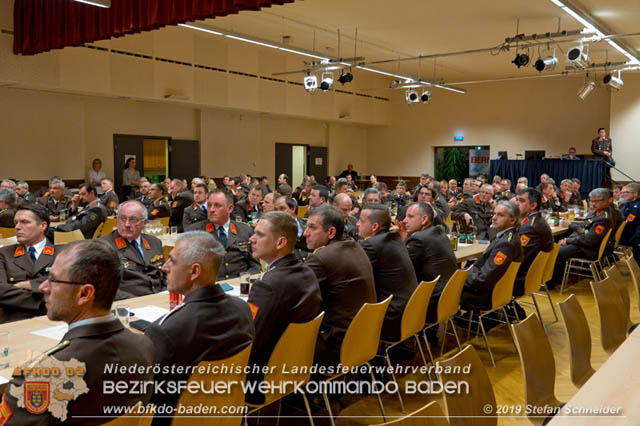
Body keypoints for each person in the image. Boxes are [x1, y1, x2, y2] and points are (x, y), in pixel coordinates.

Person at [1, 240, 155, 425]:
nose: (42, 288)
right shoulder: (144, 346)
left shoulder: (39, 377)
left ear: (84, 294)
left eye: (53, 280)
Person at [144, 231, 254, 424]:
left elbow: (148, 396)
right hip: (227, 415)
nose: (164, 267)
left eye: (172, 261)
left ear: (194, 272)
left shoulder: (167, 330)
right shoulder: (243, 309)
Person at [246, 212, 322, 401]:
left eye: (260, 235)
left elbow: (248, 341)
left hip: (261, 378)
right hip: (296, 367)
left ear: (280, 243)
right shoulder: (306, 272)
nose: (251, 239)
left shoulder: (267, 286)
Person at [304, 205, 376, 366]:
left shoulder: (322, 257)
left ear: (331, 232)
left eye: (312, 228)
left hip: (338, 344)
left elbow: (292, 291)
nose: (305, 233)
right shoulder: (355, 246)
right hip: (364, 337)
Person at [358, 204, 418, 341]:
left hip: (393, 316)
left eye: (361, 220)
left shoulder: (371, 245)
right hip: (410, 311)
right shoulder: (394, 237)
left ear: (375, 227)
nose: (357, 223)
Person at [397, 202, 457, 323]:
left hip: (431, 301)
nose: (404, 220)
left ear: (424, 219)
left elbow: (400, 267)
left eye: (410, 216)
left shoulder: (419, 239)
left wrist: (400, 241)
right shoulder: (438, 230)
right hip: (448, 297)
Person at [461, 201, 523, 311]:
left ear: (512, 220)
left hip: (484, 295)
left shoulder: (506, 244)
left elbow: (483, 278)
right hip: (494, 290)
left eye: (500, 215)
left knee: (441, 288)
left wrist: (461, 277)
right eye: (494, 214)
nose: (494, 218)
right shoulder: (506, 236)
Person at [185, 189, 260, 279]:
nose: (212, 210)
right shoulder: (194, 232)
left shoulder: (245, 231)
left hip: (239, 285)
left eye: (217, 206)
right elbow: (187, 269)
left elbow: (255, 266)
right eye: (209, 205)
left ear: (230, 208)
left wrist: (244, 280)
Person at [549, 188, 615, 288]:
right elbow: (585, 228)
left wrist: (568, 241)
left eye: (596, 201)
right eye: (591, 201)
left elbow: (589, 240)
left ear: (606, 201)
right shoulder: (598, 212)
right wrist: (571, 230)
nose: (592, 204)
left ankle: (552, 282)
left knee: (557, 253)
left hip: (589, 249)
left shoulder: (604, 218)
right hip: (585, 243)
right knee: (559, 244)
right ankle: (559, 278)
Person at [0, 204, 54, 323]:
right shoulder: (4, 253)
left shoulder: (61, 252)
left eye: (24, 222)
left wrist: (27, 284)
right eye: (16, 223)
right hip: (14, 319)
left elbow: (68, 285)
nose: (17, 227)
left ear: (42, 226)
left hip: (53, 319)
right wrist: (43, 299)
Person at [101, 200, 165, 299]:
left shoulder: (154, 242)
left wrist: (166, 294)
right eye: (122, 218)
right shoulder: (105, 246)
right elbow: (105, 287)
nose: (126, 224)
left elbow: (165, 275)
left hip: (159, 300)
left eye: (133, 219)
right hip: (130, 303)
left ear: (144, 223)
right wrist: (138, 302)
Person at [512, 188, 553, 315]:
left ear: (533, 205)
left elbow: (517, 256)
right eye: (517, 200)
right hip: (532, 274)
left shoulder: (530, 227)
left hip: (521, 277)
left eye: (522, 201)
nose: (517, 204)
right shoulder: (533, 222)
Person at [620, 183, 640, 265]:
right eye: (623, 192)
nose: (623, 194)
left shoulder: (636, 206)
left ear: (635, 194)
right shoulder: (628, 204)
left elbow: (628, 224)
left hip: (632, 237)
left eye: (627, 192)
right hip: (630, 234)